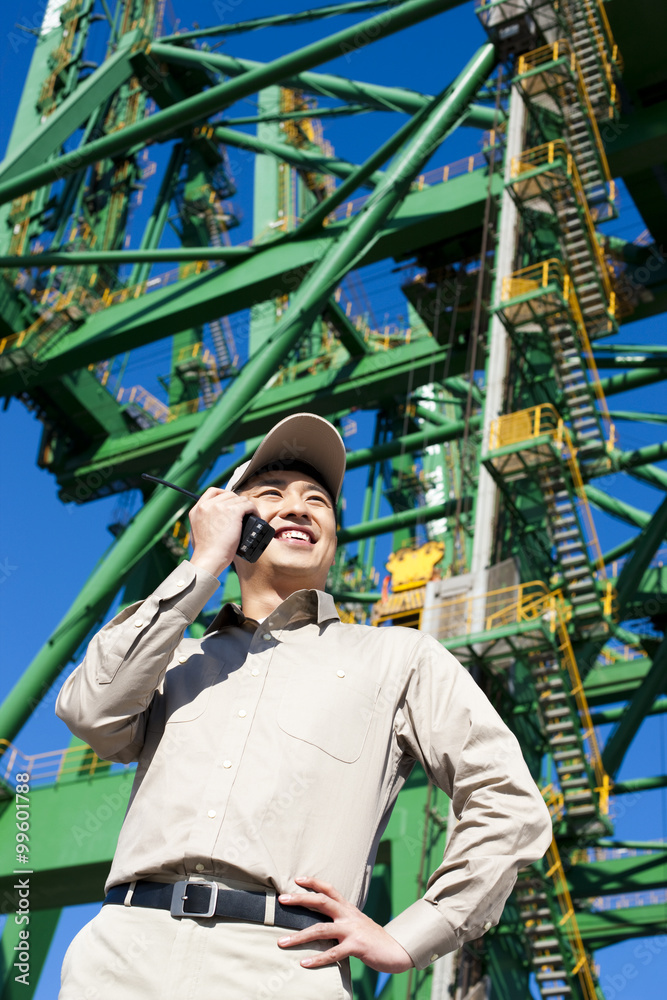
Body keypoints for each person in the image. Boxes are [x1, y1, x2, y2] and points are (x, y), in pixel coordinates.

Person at [56, 412, 551, 1000]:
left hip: (285, 966)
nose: (299, 507)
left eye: (318, 500)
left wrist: (415, 934)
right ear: (233, 522)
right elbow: (92, 712)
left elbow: (509, 802)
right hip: (122, 957)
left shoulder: (401, 658)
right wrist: (202, 564)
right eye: (271, 495)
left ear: (334, 537)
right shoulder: (172, 657)